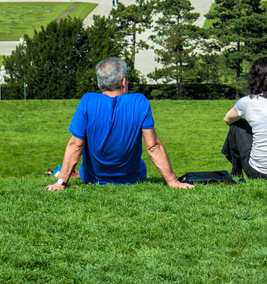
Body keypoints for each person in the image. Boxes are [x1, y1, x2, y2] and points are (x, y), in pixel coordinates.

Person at [47, 57, 193, 191]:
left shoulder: (87, 101)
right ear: (124, 82)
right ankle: (69, 172)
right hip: (132, 178)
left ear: (99, 84)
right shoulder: (140, 102)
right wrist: (173, 181)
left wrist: (61, 183)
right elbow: (153, 146)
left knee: (82, 168)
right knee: (140, 164)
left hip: (92, 178)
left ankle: (65, 173)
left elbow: (75, 145)